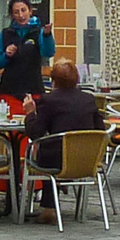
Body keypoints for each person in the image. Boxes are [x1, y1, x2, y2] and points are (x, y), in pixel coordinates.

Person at [21, 60, 103, 221]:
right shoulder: (89, 99)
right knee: (53, 149)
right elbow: (99, 129)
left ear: (54, 80)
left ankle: (49, 209)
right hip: (87, 160)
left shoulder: (48, 100)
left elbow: (35, 132)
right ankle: (58, 190)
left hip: (57, 161)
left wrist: (30, 113)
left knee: (45, 151)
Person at [0, 0, 50, 116]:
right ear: (12, 15)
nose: (21, 15)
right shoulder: (6, 33)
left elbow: (48, 53)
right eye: (16, 12)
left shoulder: (38, 32)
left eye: (23, 10)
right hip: (9, 91)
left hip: (33, 90)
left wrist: (47, 36)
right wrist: (6, 55)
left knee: (33, 128)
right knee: (9, 131)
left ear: (30, 11)